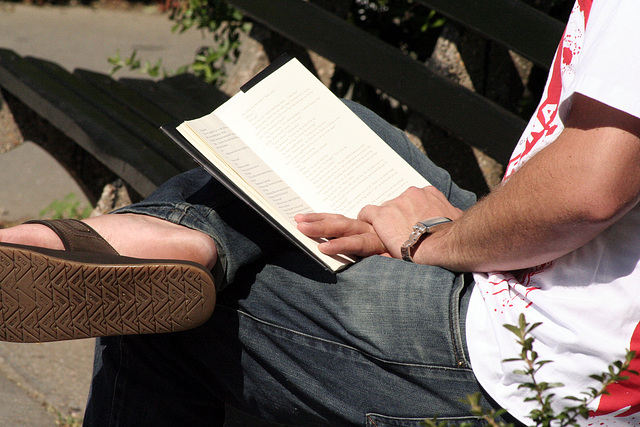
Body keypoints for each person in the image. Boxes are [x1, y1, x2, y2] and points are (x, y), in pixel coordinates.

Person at [1, 0, 640, 425]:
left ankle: (169, 240)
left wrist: (432, 237)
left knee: (162, 315)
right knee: (320, 138)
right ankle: (186, 237)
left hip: (543, 366)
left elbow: (588, 189)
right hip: (575, 299)